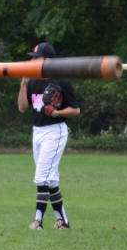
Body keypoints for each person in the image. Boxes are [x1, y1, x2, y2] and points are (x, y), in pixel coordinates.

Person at [18, 42, 81, 231]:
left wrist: (56, 113)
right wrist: (23, 83)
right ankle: (64, 222)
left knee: (42, 176)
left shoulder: (61, 81)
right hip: (37, 131)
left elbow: (76, 109)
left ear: (48, 60)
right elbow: (22, 108)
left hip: (55, 131)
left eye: (36, 57)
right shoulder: (33, 81)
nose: (32, 61)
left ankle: (38, 221)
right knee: (50, 179)